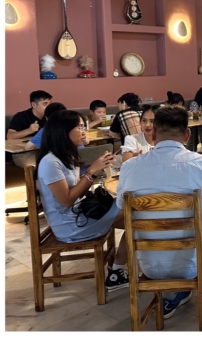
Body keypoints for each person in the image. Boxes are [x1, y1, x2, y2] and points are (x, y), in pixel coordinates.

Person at [117, 106, 202, 319]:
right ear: (187, 135)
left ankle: (178, 292)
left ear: (152, 134)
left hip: (149, 266)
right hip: (194, 265)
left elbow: (121, 211)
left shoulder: (129, 167)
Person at [36, 110, 131, 292]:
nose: (84, 131)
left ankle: (117, 270)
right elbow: (66, 201)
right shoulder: (50, 162)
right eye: (79, 127)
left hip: (78, 215)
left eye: (83, 126)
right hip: (69, 225)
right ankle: (117, 271)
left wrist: (96, 168)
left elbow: (76, 194)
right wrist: (91, 172)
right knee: (133, 218)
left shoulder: (65, 157)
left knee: (131, 217)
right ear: (62, 131)